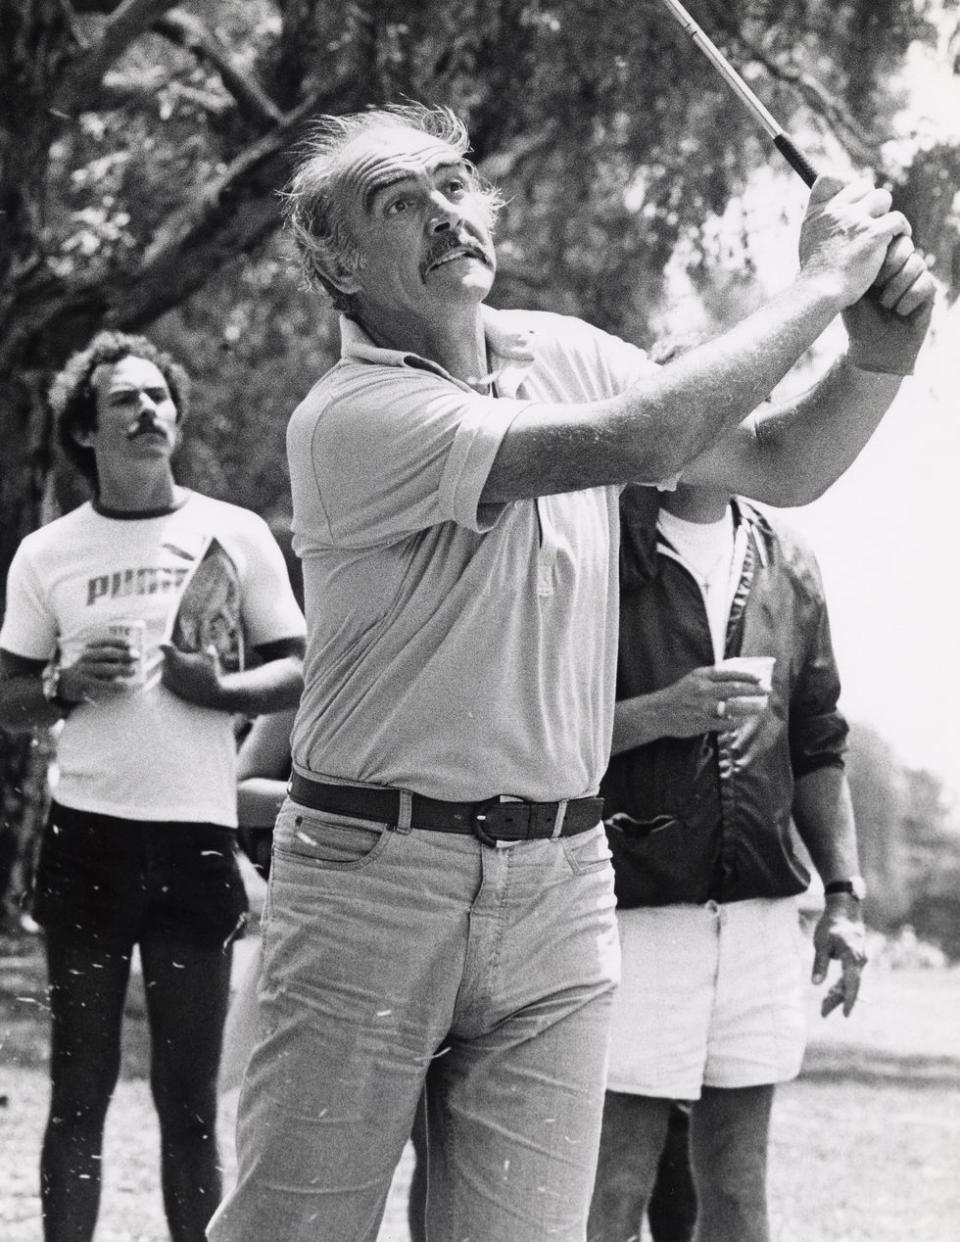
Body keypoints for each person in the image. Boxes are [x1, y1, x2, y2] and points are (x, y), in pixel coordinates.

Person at [207, 103, 934, 1242]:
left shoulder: (573, 353)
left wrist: (879, 358)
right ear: (336, 268)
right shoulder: (349, 416)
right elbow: (644, 442)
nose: (445, 213)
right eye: (398, 203)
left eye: (454, 185)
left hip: (562, 880)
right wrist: (824, 286)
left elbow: (781, 464)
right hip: (370, 878)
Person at [0, 330, 306, 1242]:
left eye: (159, 397)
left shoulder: (235, 532)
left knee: (189, 1108)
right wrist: (63, 684)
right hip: (88, 840)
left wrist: (221, 692)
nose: (149, 412)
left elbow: (298, 667)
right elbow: (9, 697)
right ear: (85, 433)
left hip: (195, 843)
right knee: (78, 1098)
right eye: (124, 401)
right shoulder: (47, 553)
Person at [587, 476, 866, 1242]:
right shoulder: (595, 540)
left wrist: (843, 896)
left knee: (739, 1190)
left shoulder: (789, 556)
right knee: (612, 1188)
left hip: (758, 919)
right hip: (635, 913)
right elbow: (532, 723)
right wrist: (656, 715)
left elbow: (817, 742)